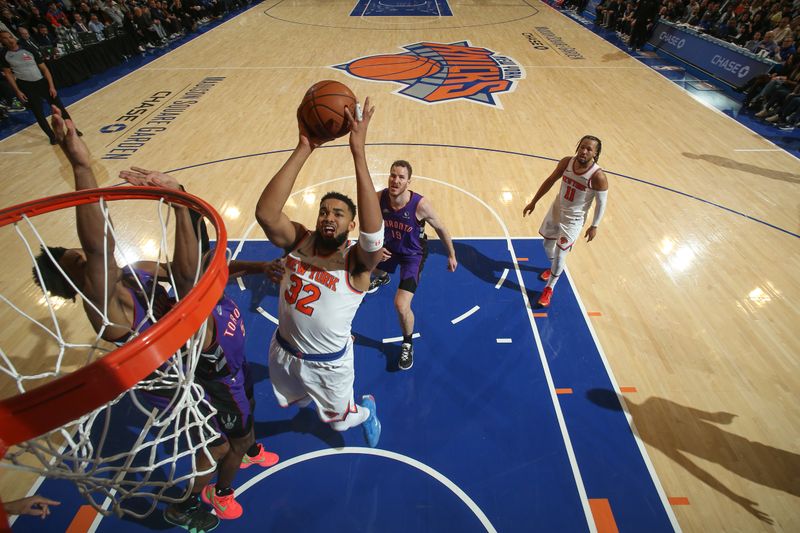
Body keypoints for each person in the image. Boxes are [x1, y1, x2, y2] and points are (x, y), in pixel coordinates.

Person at [119, 167, 281, 523]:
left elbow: (212, 260)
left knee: (248, 418)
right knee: (233, 443)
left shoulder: (208, 283)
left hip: (238, 372)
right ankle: (220, 493)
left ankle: (250, 447)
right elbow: (189, 270)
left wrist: (259, 266)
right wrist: (179, 202)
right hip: (224, 385)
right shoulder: (197, 313)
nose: (209, 269)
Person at [255, 98, 383, 448]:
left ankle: (367, 410)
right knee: (289, 404)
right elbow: (267, 214)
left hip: (328, 366)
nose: (329, 216)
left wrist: (358, 151)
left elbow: (374, 238)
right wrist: (304, 147)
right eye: (324, 211)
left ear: (351, 224)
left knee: (340, 426)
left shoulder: (356, 263)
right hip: (282, 351)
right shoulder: (298, 241)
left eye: (339, 213)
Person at [368, 160, 457, 370]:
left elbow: (442, 229)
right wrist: (376, 247)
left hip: (412, 255)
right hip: (389, 248)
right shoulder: (378, 198)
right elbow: (368, 224)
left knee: (400, 305)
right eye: (392, 175)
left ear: (409, 181)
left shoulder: (420, 205)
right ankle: (382, 275)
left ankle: (407, 343)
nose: (395, 180)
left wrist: (451, 255)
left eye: (400, 177)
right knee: (364, 265)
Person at [522, 135, 609, 308]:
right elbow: (549, 181)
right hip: (556, 210)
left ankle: (549, 288)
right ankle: (554, 267)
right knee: (547, 245)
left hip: (573, 220)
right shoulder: (566, 162)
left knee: (562, 254)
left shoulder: (598, 176)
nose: (584, 151)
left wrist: (594, 225)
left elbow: (601, 203)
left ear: (596, 153)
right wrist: (534, 201)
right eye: (582, 147)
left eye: (589, 149)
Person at [0, 30, 80, 144]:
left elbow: (44, 69)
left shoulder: (28, 48)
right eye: (4, 38)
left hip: (42, 82)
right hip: (26, 86)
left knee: (60, 108)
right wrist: (17, 91)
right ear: (1, 41)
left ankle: (73, 129)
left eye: (10, 37)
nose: (9, 39)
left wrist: (51, 86)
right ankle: (52, 136)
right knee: (39, 113)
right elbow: (8, 74)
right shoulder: (4, 55)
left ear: (13, 37)